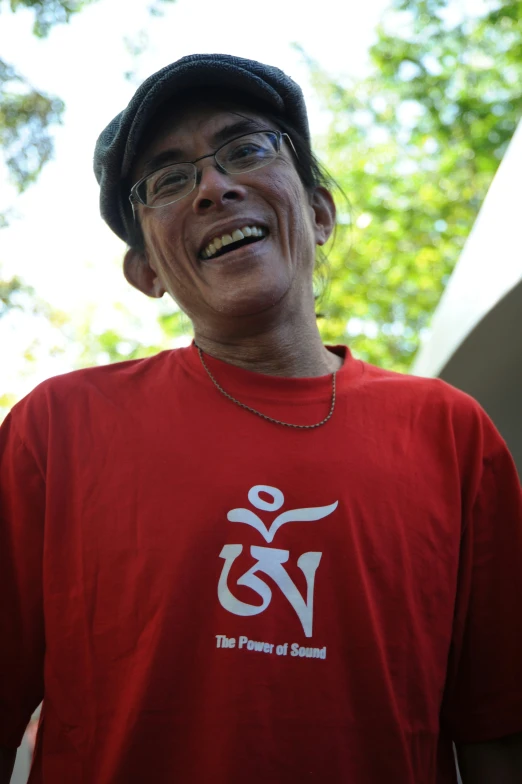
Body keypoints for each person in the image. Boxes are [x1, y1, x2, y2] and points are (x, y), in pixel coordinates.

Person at [0, 53, 521, 784]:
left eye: (246, 148)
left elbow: (498, 732)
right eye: (170, 179)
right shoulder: (54, 430)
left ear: (318, 210)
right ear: (146, 270)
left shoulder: (451, 435)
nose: (215, 186)